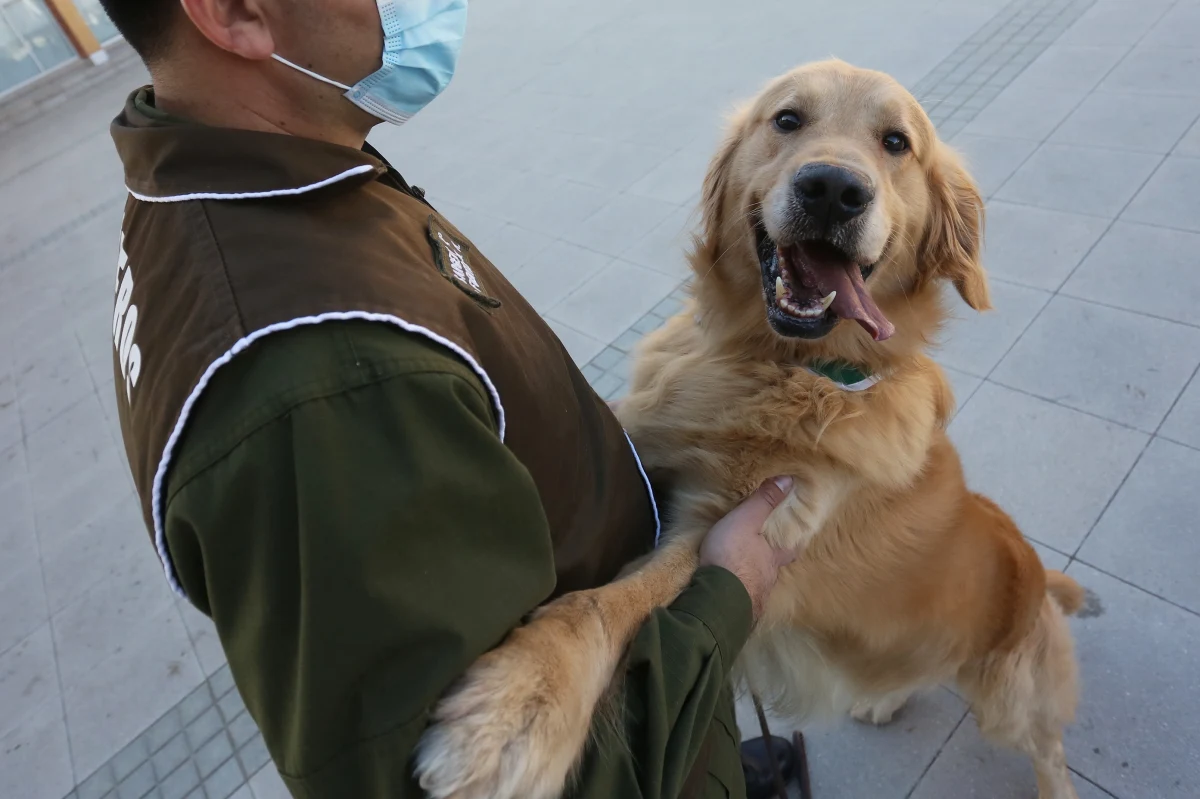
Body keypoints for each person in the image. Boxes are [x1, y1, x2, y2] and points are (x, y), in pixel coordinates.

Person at [99, 0, 797, 796]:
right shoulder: (324, 383)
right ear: (236, 12)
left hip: (640, 669)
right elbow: (510, 772)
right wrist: (722, 599)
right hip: (643, 743)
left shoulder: (242, 177)